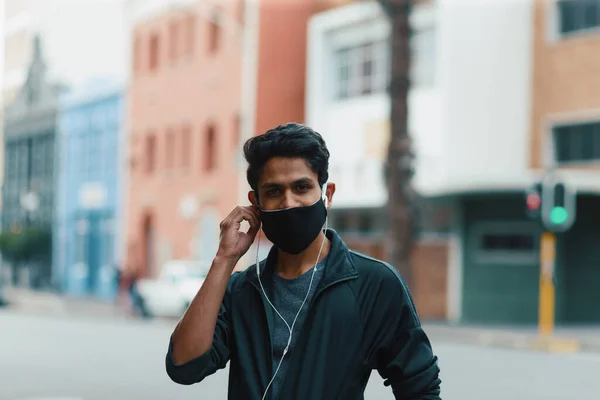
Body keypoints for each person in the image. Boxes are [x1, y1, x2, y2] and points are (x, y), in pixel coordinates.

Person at [166, 123, 441, 399]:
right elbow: (184, 366)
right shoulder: (241, 290)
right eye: (274, 191)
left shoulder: (373, 284)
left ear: (327, 194)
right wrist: (224, 260)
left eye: (301, 187)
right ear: (255, 202)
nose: (289, 202)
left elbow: (420, 390)